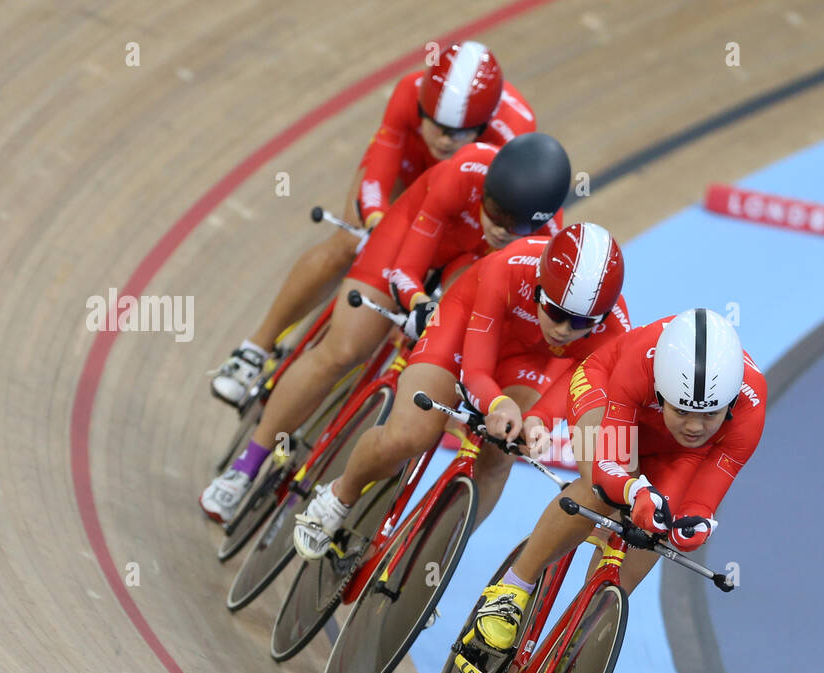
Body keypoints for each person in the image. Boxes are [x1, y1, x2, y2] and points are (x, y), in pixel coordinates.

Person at [200, 132, 572, 523]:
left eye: (515, 226)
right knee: (345, 349)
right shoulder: (463, 172)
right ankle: (245, 466)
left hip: (473, 270)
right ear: (487, 189)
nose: (499, 228)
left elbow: (492, 318)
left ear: (541, 222)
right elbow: (406, 269)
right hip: (414, 237)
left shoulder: (547, 247)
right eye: (494, 210)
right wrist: (417, 303)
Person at [208, 40, 536, 405]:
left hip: (465, 200)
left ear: (486, 123)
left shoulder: (515, 137)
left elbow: (506, 226)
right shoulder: (409, 90)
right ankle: (255, 349)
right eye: (437, 124)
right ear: (422, 105)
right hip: (412, 170)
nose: (445, 138)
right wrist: (377, 221)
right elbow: (380, 168)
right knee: (349, 241)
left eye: (461, 131)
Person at [290, 221, 630, 558]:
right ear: (540, 289)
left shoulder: (616, 331)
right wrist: (497, 403)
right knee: (409, 435)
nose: (564, 329)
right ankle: (339, 496)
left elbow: (580, 382)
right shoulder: (507, 268)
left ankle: (433, 560)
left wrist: (539, 420)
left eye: (583, 323)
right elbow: (476, 369)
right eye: (555, 312)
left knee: (503, 454)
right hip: (466, 324)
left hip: (533, 360)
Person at [469, 308, 767, 650]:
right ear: (660, 393)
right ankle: (512, 589)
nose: (695, 426)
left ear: (729, 404)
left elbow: (703, 499)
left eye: (709, 414)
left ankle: (575, 647)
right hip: (604, 390)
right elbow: (608, 465)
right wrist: (631, 487)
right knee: (601, 491)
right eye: (682, 410)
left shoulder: (751, 408)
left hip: (677, 452)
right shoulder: (641, 361)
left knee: (659, 525)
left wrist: (691, 526)